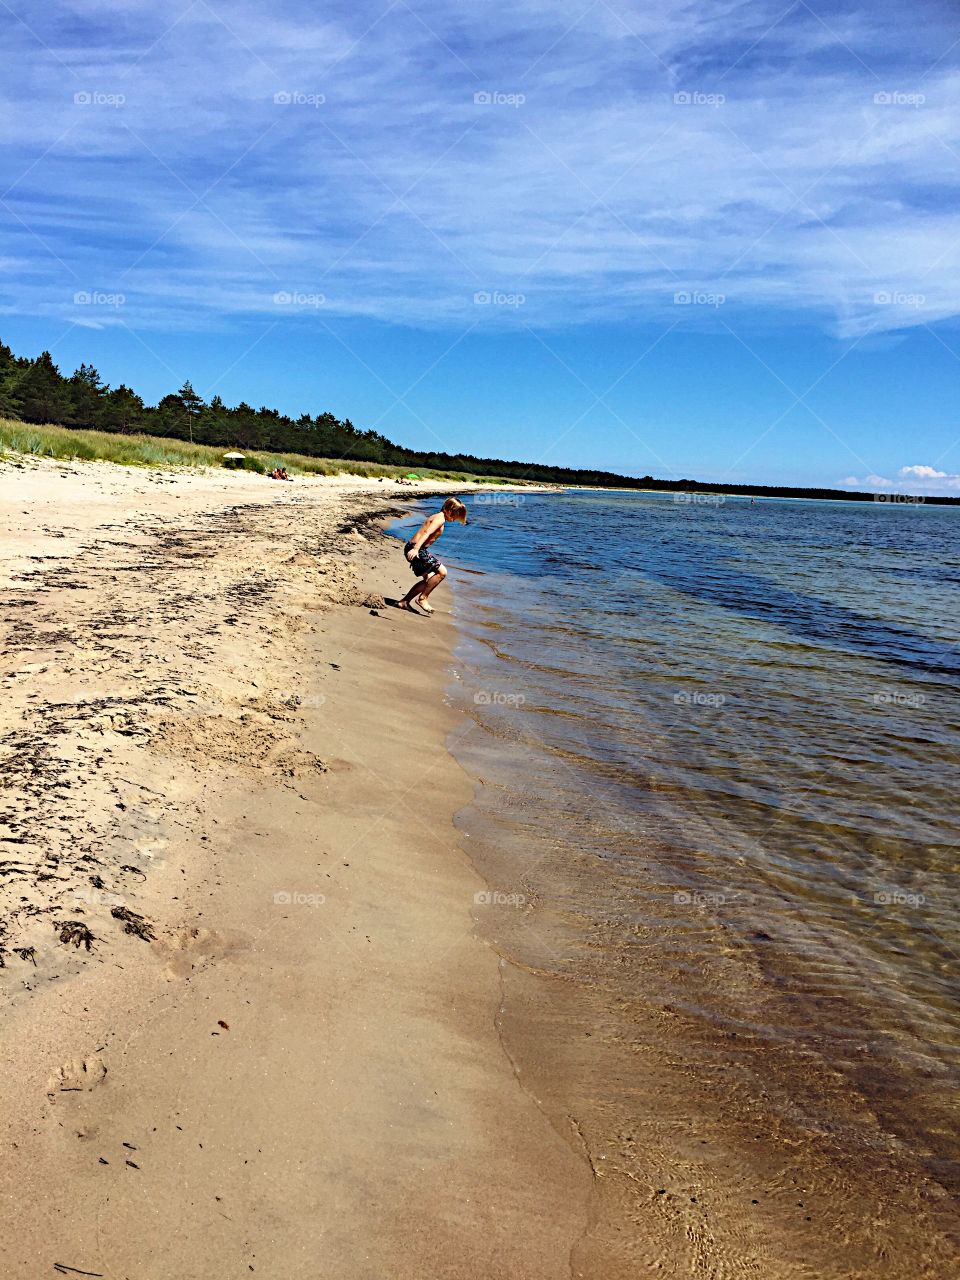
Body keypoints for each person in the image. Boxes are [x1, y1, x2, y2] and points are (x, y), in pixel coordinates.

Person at [397, 497, 467, 614]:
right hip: (417, 549)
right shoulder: (440, 519)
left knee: (429, 580)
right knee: (442, 572)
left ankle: (404, 602)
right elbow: (427, 532)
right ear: (448, 510)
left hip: (416, 548)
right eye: (455, 515)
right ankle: (423, 598)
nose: (455, 519)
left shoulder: (438, 516)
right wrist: (416, 549)